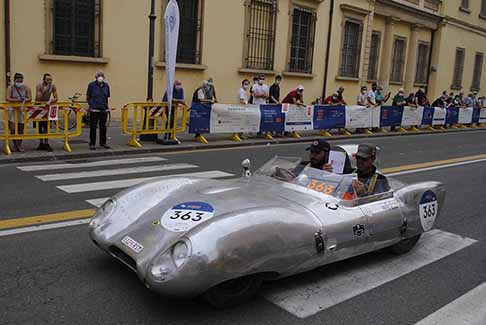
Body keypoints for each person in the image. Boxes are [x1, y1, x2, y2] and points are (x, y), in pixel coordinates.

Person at [6, 73, 32, 152]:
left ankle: (19, 145)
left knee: (21, 128)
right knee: (13, 128)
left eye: (21, 81)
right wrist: (16, 100)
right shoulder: (11, 88)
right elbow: (7, 98)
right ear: (14, 80)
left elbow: (30, 98)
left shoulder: (26, 87)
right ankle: (14, 144)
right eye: (18, 81)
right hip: (12, 110)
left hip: (21, 110)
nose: (20, 82)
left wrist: (25, 99)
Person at [86, 70, 111, 150]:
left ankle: (103, 142)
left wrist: (107, 107)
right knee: (93, 127)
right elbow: (88, 97)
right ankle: (92, 143)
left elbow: (106, 97)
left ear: (104, 77)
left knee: (103, 127)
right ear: (96, 77)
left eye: (102, 75)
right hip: (94, 110)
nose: (100, 77)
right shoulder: (91, 85)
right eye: (99, 75)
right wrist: (91, 105)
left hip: (104, 110)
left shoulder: (106, 86)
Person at [35, 73, 58, 151]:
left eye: (50, 80)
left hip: (47, 107)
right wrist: (46, 88)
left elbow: (56, 97)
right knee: (39, 126)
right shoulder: (39, 86)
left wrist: (51, 100)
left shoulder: (53, 86)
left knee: (46, 126)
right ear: (44, 80)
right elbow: (38, 98)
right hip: (38, 107)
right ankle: (41, 143)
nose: (49, 81)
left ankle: (46, 143)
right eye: (47, 79)